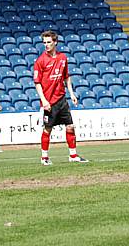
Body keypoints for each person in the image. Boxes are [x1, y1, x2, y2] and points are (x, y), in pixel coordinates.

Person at [34, 30, 87, 165]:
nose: (46, 45)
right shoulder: (40, 61)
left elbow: (66, 77)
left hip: (62, 99)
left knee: (70, 126)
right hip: (49, 102)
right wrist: (44, 101)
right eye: (44, 42)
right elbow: (37, 83)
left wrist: (72, 94)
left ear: (55, 42)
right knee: (48, 129)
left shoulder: (63, 58)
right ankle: (44, 158)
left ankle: (73, 155)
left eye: (49, 42)